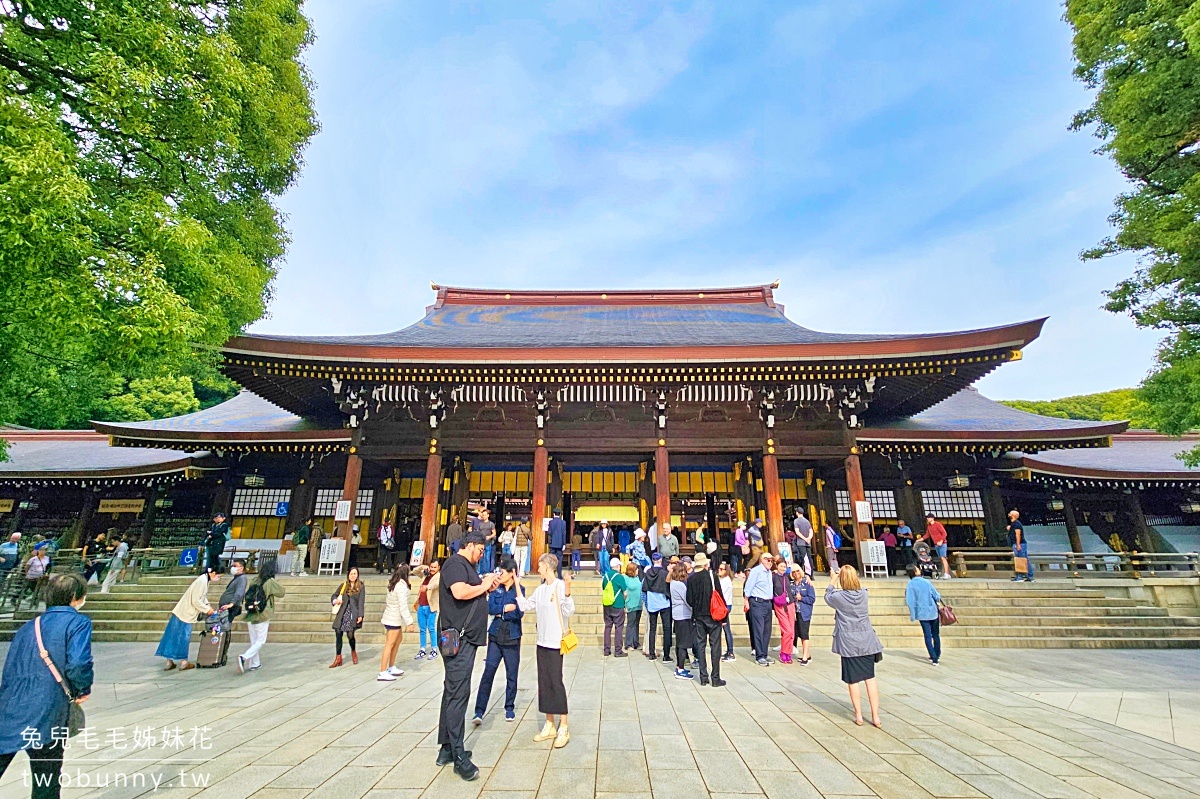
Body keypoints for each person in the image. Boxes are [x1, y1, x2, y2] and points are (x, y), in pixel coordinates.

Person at [0, 573, 93, 799]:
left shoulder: (28, 626)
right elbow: (79, 663)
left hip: (11, 705)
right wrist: (82, 689)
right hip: (49, 707)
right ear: (75, 597)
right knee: (47, 775)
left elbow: (11, 668)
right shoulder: (78, 622)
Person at [436, 531, 500, 781]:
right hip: (457, 640)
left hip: (464, 639)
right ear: (470, 545)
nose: (482, 554)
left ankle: (446, 748)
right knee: (458, 694)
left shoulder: (467, 567)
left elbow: (471, 592)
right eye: (481, 550)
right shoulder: (454, 564)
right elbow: (460, 592)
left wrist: (486, 586)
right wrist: (483, 585)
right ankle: (459, 755)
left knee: (452, 691)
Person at [516, 554, 574, 749]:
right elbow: (525, 605)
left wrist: (567, 590)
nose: (538, 569)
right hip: (541, 641)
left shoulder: (558, 586)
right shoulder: (540, 590)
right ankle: (549, 723)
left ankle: (563, 725)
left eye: (540, 566)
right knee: (544, 682)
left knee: (556, 682)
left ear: (547, 567)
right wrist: (517, 585)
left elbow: (569, 611)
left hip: (556, 642)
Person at [825, 565, 884, 728]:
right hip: (866, 640)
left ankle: (858, 715)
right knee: (870, 678)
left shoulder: (839, 597)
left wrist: (832, 580)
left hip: (849, 642)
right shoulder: (864, 594)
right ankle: (876, 716)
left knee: (853, 681)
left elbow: (827, 597)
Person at [472, 556, 523, 724]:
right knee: (488, 672)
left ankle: (509, 707)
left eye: (503, 572)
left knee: (512, 674)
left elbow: (519, 612)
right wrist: (503, 610)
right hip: (495, 635)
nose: (500, 575)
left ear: (512, 573)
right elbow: (491, 608)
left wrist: (507, 610)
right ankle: (479, 710)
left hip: (512, 636)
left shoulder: (519, 590)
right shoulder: (496, 589)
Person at [156, 567, 219, 671]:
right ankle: (184, 662)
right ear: (213, 573)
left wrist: (207, 604)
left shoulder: (203, 579)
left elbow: (201, 596)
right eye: (218, 575)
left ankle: (169, 661)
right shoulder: (202, 581)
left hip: (180, 611)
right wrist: (208, 609)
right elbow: (196, 600)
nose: (218, 578)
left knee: (172, 636)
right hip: (186, 613)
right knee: (183, 637)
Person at [685, 553, 727, 687]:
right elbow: (720, 595)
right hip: (714, 616)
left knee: (701, 645)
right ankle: (715, 677)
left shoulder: (691, 579)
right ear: (705, 564)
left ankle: (703, 677)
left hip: (699, 616)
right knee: (715, 646)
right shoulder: (712, 576)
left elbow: (689, 600)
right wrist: (724, 616)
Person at [237, 561, 285, 673]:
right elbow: (282, 592)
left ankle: (255, 663)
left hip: (251, 613)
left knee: (254, 641)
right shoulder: (270, 581)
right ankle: (244, 657)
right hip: (262, 614)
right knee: (261, 640)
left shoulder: (254, 580)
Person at [377, 564, 417, 681]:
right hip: (393, 617)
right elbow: (403, 606)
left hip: (393, 616)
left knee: (397, 641)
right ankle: (382, 671)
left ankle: (391, 666)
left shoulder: (395, 584)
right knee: (389, 644)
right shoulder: (400, 587)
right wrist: (409, 622)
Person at [905, 565, 942, 665]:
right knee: (936, 634)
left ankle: (933, 656)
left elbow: (910, 601)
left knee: (927, 635)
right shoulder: (926, 582)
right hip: (932, 611)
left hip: (922, 613)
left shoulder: (910, 584)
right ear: (915, 572)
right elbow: (936, 596)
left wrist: (913, 614)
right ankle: (937, 654)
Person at [329, 566, 366, 667]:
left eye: (355, 574)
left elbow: (361, 602)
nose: (353, 576)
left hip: (352, 613)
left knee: (350, 635)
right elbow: (334, 595)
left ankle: (353, 651)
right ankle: (338, 657)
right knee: (338, 633)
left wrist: (360, 615)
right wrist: (335, 601)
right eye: (351, 574)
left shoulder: (361, 586)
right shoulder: (344, 585)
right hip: (342, 612)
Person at [668, 561, 694, 680]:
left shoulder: (673, 583)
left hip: (677, 614)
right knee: (683, 644)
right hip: (683, 615)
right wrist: (694, 610)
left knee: (680, 643)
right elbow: (687, 600)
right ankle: (680, 668)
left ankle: (680, 666)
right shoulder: (679, 585)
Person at [643, 552, 671, 661]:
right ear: (660, 560)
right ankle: (666, 655)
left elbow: (644, 588)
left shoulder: (648, 572)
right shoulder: (664, 573)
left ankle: (651, 654)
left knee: (652, 628)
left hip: (652, 603)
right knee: (666, 628)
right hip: (664, 603)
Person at [413, 560, 441, 660]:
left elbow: (435, 585)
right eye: (431, 567)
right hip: (421, 605)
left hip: (431, 606)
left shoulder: (439, 576)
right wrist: (422, 567)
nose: (432, 569)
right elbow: (414, 571)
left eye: (435, 567)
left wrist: (427, 587)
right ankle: (422, 649)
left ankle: (434, 649)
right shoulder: (425, 574)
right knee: (422, 629)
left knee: (431, 628)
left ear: (438, 568)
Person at [601, 557, 627, 657]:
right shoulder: (620, 577)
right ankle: (618, 650)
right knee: (618, 627)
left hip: (607, 604)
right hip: (618, 604)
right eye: (619, 565)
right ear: (616, 566)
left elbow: (604, 588)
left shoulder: (606, 576)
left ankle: (606, 650)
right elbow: (625, 592)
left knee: (608, 626)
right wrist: (624, 600)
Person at [772, 557, 796, 664]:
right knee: (787, 630)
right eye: (781, 566)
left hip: (790, 603)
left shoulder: (787, 577)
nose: (783, 568)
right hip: (779, 604)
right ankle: (784, 652)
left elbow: (799, 576)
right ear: (777, 566)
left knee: (792, 631)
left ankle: (788, 653)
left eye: (784, 566)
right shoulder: (773, 577)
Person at [793, 569, 816, 665]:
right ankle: (807, 654)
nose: (796, 573)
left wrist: (801, 598)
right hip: (795, 612)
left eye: (798, 571)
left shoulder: (807, 583)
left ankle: (805, 656)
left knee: (804, 634)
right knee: (799, 633)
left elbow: (812, 599)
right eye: (793, 572)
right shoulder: (792, 584)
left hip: (804, 612)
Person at [716, 562, 736, 661]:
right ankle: (729, 651)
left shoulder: (725, 581)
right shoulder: (723, 580)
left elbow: (720, 593)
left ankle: (731, 652)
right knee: (725, 628)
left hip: (725, 605)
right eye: (719, 568)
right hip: (725, 604)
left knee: (726, 628)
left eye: (722, 569)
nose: (719, 570)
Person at [1008, 509, 1034, 582]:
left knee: (1020, 560)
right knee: (1025, 559)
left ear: (1013, 515)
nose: (1009, 514)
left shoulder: (1016, 524)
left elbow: (1018, 534)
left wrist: (1018, 544)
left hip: (1019, 544)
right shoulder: (1015, 524)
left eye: (1010, 513)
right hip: (1021, 544)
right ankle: (1029, 576)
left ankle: (1020, 576)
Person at [218, 559, 248, 623]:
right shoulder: (237, 578)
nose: (233, 568)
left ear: (241, 568)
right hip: (226, 607)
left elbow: (239, 593)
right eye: (232, 566)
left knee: (225, 624)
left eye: (235, 566)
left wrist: (231, 604)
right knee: (224, 624)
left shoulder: (242, 578)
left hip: (231, 607)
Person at [622, 562, 643, 652]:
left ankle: (636, 642)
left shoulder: (637, 578)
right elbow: (624, 591)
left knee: (636, 624)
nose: (638, 570)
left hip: (639, 604)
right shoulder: (625, 578)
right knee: (631, 624)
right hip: (630, 604)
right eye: (636, 569)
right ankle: (628, 643)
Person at [922, 513, 951, 579]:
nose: (927, 519)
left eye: (929, 517)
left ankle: (947, 574)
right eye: (927, 518)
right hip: (936, 544)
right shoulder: (929, 526)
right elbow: (927, 535)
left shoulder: (938, 524)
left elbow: (944, 533)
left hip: (942, 543)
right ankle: (945, 572)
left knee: (943, 558)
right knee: (941, 559)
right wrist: (920, 539)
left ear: (932, 518)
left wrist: (941, 541)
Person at [794, 511, 815, 576]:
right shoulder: (807, 521)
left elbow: (797, 532)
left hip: (801, 542)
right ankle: (811, 574)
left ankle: (805, 573)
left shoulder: (796, 521)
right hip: (808, 543)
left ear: (797, 513)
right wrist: (808, 538)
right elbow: (811, 532)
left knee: (803, 558)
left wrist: (804, 539)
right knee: (809, 557)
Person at [547, 509, 567, 578]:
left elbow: (549, 532)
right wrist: (564, 544)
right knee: (559, 560)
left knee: (551, 560)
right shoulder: (563, 523)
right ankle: (559, 575)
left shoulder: (551, 522)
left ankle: (550, 574)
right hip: (560, 544)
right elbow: (564, 534)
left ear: (554, 514)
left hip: (552, 544)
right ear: (560, 515)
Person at [477, 511, 497, 575]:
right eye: (483, 515)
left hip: (488, 543)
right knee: (480, 558)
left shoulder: (491, 524)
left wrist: (489, 537)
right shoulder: (480, 524)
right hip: (481, 543)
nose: (483, 516)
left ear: (488, 515)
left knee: (487, 558)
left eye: (485, 515)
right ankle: (480, 572)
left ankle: (487, 572)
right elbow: (478, 532)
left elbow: (494, 533)